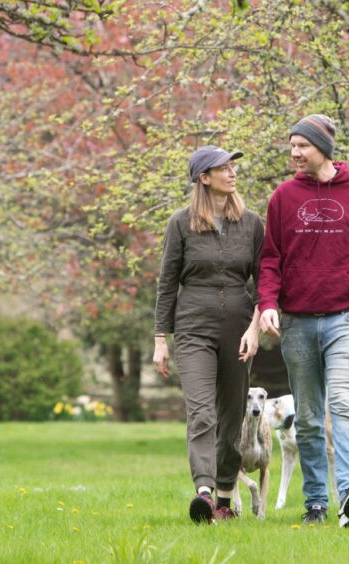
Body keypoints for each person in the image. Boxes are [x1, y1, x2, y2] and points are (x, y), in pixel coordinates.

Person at [257, 115, 349, 528]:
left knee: (342, 402)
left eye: (301, 145)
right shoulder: (283, 197)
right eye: (291, 146)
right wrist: (267, 302)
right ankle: (316, 503)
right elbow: (270, 259)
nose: (294, 153)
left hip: (348, 318)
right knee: (307, 416)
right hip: (298, 321)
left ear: (322, 146)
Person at [153, 145, 264, 524]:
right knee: (202, 412)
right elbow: (167, 284)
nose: (233, 173)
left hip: (238, 327)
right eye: (224, 168)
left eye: (234, 167)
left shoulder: (251, 223)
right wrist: (159, 339)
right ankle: (202, 493)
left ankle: (224, 499)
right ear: (204, 178)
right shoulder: (180, 223)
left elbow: (265, 283)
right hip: (193, 328)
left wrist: (255, 328)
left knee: (232, 417)